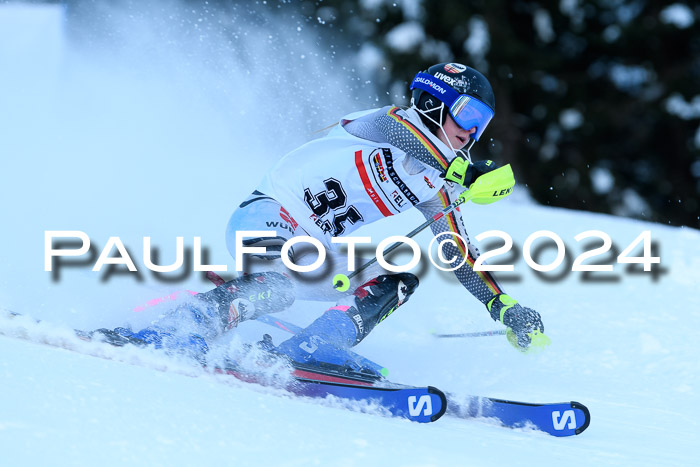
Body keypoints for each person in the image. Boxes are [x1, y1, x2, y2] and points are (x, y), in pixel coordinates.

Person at [105, 62, 546, 364]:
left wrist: (503, 306)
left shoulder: (437, 179)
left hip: (311, 251)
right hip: (266, 216)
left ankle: (315, 347)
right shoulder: (384, 123)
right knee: (279, 282)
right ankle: (184, 325)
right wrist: (465, 174)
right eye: (468, 114)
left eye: (481, 123)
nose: (471, 132)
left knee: (396, 281)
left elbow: (457, 251)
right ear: (433, 101)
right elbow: (409, 139)